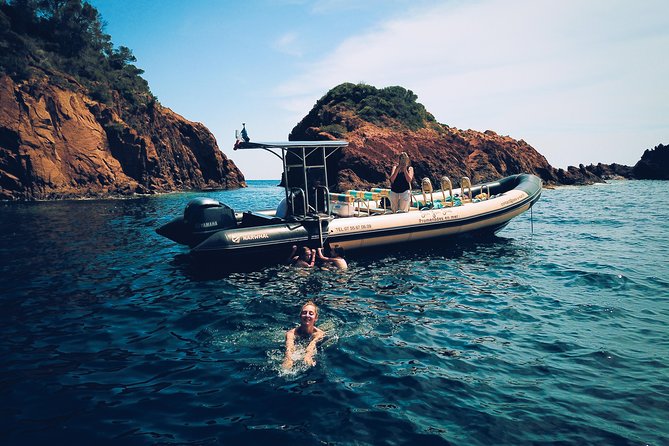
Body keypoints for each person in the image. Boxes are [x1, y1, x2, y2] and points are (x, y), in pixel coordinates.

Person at [283, 300, 325, 369]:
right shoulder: (291, 333)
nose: (307, 315)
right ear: (300, 316)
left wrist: (308, 355)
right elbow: (289, 347)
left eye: (311, 313)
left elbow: (312, 344)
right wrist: (288, 359)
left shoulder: (319, 333)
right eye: (304, 313)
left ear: (316, 318)